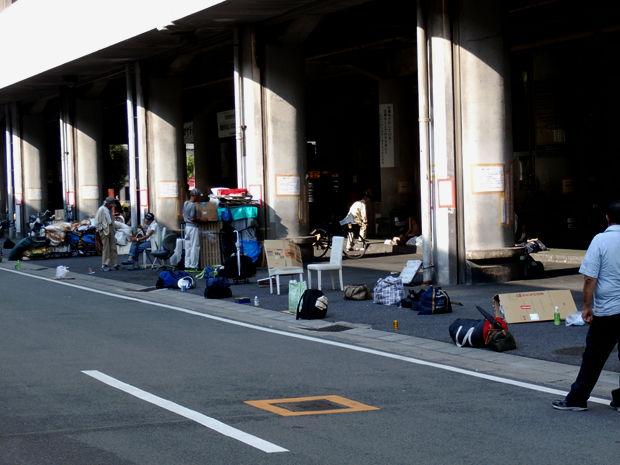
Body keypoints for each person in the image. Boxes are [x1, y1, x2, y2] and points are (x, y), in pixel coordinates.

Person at [552, 200, 620, 412]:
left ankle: (577, 399)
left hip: (608, 310)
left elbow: (590, 278)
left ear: (607, 219)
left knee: (593, 356)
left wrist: (586, 306)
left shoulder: (600, 240)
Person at [94, 196, 119, 271]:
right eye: (111, 204)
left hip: (110, 228)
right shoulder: (101, 209)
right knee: (106, 248)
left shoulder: (109, 209)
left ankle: (115, 263)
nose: (112, 206)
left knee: (113, 247)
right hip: (105, 229)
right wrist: (100, 229)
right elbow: (97, 221)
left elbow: (111, 220)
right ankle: (105, 264)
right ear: (108, 203)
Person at [183, 188, 203, 270]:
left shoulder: (185, 203)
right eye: (198, 195)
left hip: (187, 227)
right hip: (193, 227)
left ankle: (187, 264)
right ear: (194, 196)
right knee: (195, 246)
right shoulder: (192, 205)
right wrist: (201, 219)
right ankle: (193, 266)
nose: (198, 197)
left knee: (188, 246)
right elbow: (192, 218)